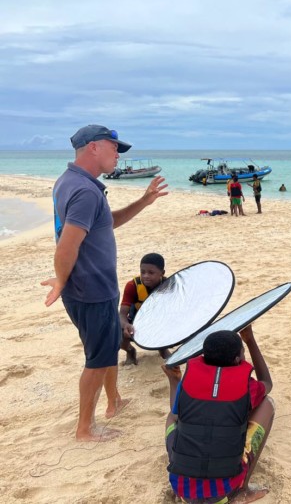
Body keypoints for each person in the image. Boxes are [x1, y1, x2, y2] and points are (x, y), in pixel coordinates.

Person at [41, 124, 168, 441]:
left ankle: (114, 402)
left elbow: (106, 222)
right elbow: (67, 245)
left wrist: (143, 201)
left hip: (93, 288)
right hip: (91, 290)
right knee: (97, 360)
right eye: (114, 148)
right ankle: (85, 429)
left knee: (109, 346)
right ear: (94, 147)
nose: (118, 155)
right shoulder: (84, 191)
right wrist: (61, 280)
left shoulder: (73, 182)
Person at [163, 325, 274, 503]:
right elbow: (267, 383)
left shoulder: (190, 380)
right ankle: (241, 491)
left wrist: (174, 379)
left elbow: (179, 415)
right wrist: (250, 340)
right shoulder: (247, 386)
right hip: (223, 492)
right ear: (238, 358)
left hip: (184, 491)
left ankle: (180, 473)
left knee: (172, 417)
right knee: (267, 404)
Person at [119, 253, 170, 365]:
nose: (146, 276)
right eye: (143, 272)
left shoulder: (169, 286)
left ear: (162, 273)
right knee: (117, 329)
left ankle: (162, 348)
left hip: (159, 321)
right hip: (136, 323)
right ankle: (130, 351)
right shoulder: (133, 286)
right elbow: (122, 314)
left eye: (151, 273)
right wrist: (126, 325)